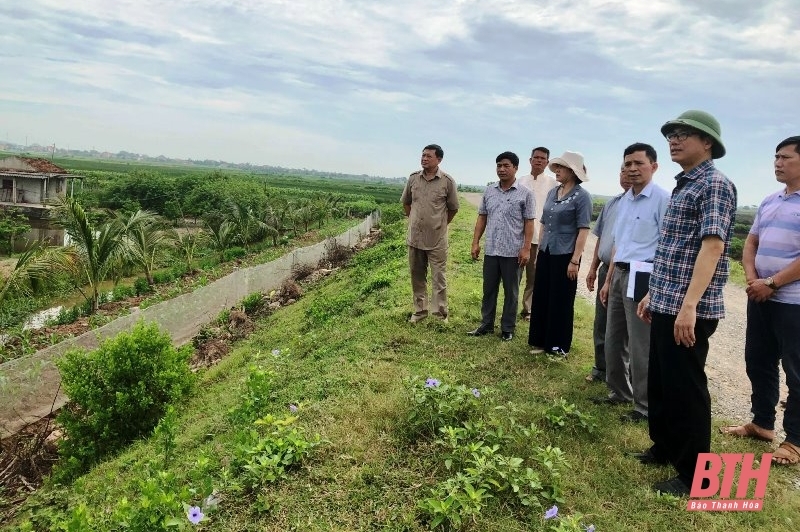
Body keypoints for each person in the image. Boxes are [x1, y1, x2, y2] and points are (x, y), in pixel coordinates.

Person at [633, 110, 737, 496]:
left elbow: (712, 246)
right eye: (671, 135)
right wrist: (653, 293)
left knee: (686, 387)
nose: (674, 140)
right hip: (666, 300)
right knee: (661, 380)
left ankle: (697, 475)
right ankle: (665, 447)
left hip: (688, 308)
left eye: (683, 135)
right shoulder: (684, 184)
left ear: (706, 143)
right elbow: (674, 247)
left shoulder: (714, 184)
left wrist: (689, 306)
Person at [720, 135, 800, 466]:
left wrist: (772, 282)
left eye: (785, 158)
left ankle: (794, 439)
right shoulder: (769, 200)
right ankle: (762, 423)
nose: (777, 163)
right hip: (761, 296)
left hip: (794, 301)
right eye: (775, 157)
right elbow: (750, 242)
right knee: (758, 359)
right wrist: (754, 279)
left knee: (796, 371)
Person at [595, 143, 669, 423]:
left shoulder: (662, 199)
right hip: (619, 273)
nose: (632, 169)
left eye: (639, 163)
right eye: (628, 164)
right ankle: (618, 392)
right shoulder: (625, 200)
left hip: (644, 275)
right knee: (614, 337)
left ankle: (644, 406)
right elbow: (619, 244)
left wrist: (654, 287)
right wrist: (608, 278)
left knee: (640, 344)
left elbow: (665, 246)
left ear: (654, 166)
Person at [528, 151, 592, 355]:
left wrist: (575, 260)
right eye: (556, 167)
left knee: (561, 300)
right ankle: (539, 341)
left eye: (561, 168)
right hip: (547, 250)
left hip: (566, 255)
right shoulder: (553, 193)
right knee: (542, 295)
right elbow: (544, 223)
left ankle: (557, 346)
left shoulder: (582, 197)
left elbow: (583, 230)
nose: (556, 171)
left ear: (572, 171)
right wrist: (539, 253)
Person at [468, 151, 535, 341]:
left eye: (506, 165)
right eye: (499, 165)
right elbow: (482, 217)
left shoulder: (525, 194)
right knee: (489, 290)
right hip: (491, 250)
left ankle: (507, 328)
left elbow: (529, 223)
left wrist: (526, 248)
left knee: (511, 292)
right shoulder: (490, 190)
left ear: (515, 168)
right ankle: (486, 324)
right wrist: (475, 242)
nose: (502, 169)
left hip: (513, 252)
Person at [401, 144, 459, 323]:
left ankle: (440, 314)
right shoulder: (413, 179)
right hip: (415, 238)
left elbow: (453, 208)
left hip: (436, 240)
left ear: (439, 160)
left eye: (429, 156)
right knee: (417, 276)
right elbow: (406, 203)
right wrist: (414, 221)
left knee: (438, 278)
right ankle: (420, 311)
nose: (424, 158)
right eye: (423, 155)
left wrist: (439, 225)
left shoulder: (447, 182)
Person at [585, 165, 631, 383]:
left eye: (631, 168)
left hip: (627, 271)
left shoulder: (639, 204)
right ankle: (601, 368)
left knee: (624, 327)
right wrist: (593, 268)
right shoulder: (612, 203)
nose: (626, 174)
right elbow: (601, 239)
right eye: (622, 170)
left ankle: (622, 375)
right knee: (601, 321)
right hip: (605, 268)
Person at [517, 147, 558, 321]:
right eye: (536, 157)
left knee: (533, 277)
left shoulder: (553, 184)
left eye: (543, 158)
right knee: (514, 276)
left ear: (547, 163)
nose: (539, 161)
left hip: (539, 239)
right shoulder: (520, 181)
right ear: (530, 160)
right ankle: (511, 307)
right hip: (518, 237)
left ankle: (528, 310)